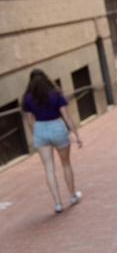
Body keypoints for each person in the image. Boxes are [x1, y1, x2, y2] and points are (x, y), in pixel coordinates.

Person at [22, 69, 82, 214]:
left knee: (49, 169)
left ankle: (57, 204)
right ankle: (72, 195)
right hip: (57, 126)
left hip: (40, 129)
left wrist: (35, 133)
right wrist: (76, 135)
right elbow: (66, 116)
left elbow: (29, 120)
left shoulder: (28, 98)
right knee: (66, 164)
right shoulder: (56, 94)